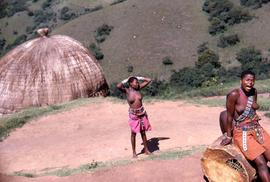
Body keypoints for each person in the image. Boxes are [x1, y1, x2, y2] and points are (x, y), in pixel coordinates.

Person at [220, 70, 270, 182]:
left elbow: (253, 108)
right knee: (261, 163)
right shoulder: (234, 95)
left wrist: (255, 106)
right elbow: (229, 117)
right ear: (241, 81)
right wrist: (228, 136)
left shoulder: (254, 92)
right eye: (247, 80)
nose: (250, 83)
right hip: (243, 133)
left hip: (257, 130)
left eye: (252, 80)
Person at [117, 76, 152, 158]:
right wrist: (125, 80)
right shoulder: (127, 91)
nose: (137, 84)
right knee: (133, 133)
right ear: (130, 84)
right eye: (135, 82)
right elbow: (118, 86)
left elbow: (149, 80)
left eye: (137, 82)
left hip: (142, 113)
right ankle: (134, 152)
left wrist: (139, 77)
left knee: (143, 132)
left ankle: (146, 150)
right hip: (134, 115)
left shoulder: (138, 89)